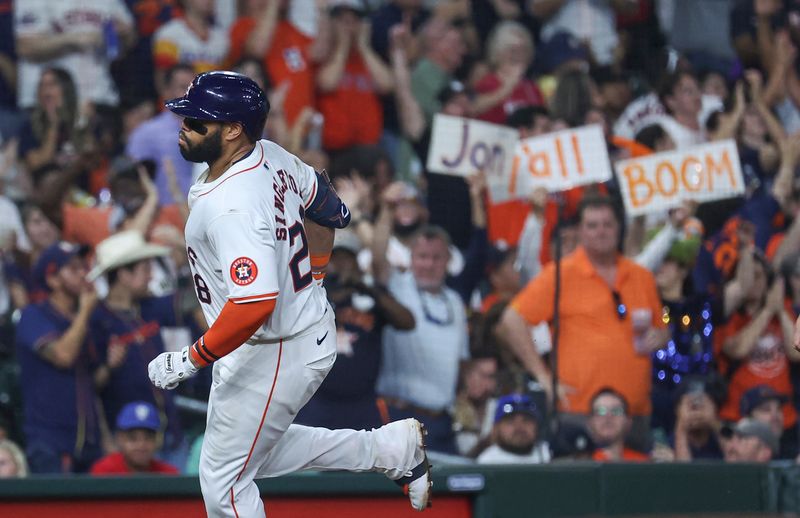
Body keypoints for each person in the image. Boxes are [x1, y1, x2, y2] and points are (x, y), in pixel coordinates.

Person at [146, 71, 431, 516]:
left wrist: (190, 360)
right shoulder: (269, 155)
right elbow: (329, 208)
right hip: (291, 330)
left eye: (196, 121)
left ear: (233, 129)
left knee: (225, 482)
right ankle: (387, 449)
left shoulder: (233, 205)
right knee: (244, 452)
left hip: (273, 345)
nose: (183, 126)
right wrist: (315, 274)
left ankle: (387, 450)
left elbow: (254, 303)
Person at [498, 195, 669, 451]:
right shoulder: (560, 273)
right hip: (578, 411)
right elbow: (511, 321)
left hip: (633, 414)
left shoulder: (641, 276)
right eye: (592, 225)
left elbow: (660, 327)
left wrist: (663, 335)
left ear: (618, 227)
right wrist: (544, 377)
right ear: (580, 231)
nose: (601, 231)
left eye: (607, 224)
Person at [88, 230, 187, 467]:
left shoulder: (151, 307)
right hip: (128, 442)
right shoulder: (96, 320)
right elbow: (89, 385)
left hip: (169, 433)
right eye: (145, 269)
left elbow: (193, 299)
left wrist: (185, 250)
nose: (151, 276)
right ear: (123, 274)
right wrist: (109, 367)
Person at [14, 241, 102, 473]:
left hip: (89, 440)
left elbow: (94, 381)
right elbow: (63, 355)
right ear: (52, 279)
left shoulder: (88, 320)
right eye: (73, 269)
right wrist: (84, 312)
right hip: (50, 441)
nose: (83, 274)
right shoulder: (33, 315)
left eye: (83, 267)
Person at [126, 63, 198, 205]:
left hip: (204, 216)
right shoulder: (146, 133)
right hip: (163, 215)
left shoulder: (214, 131)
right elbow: (131, 181)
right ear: (167, 93)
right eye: (183, 87)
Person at [90, 401, 179, 475]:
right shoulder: (104, 471)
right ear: (119, 439)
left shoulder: (168, 474)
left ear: (157, 440)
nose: (141, 445)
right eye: (132, 438)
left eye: (148, 438)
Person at [476, 393, 550, 464]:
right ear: (496, 428)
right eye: (510, 421)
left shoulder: (548, 455)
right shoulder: (487, 462)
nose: (519, 427)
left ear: (537, 427)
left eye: (526, 420)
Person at [587, 388, 649, 462]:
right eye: (601, 411)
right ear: (590, 422)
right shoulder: (578, 463)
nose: (608, 417)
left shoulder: (643, 463)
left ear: (628, 421)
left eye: (616, 411)